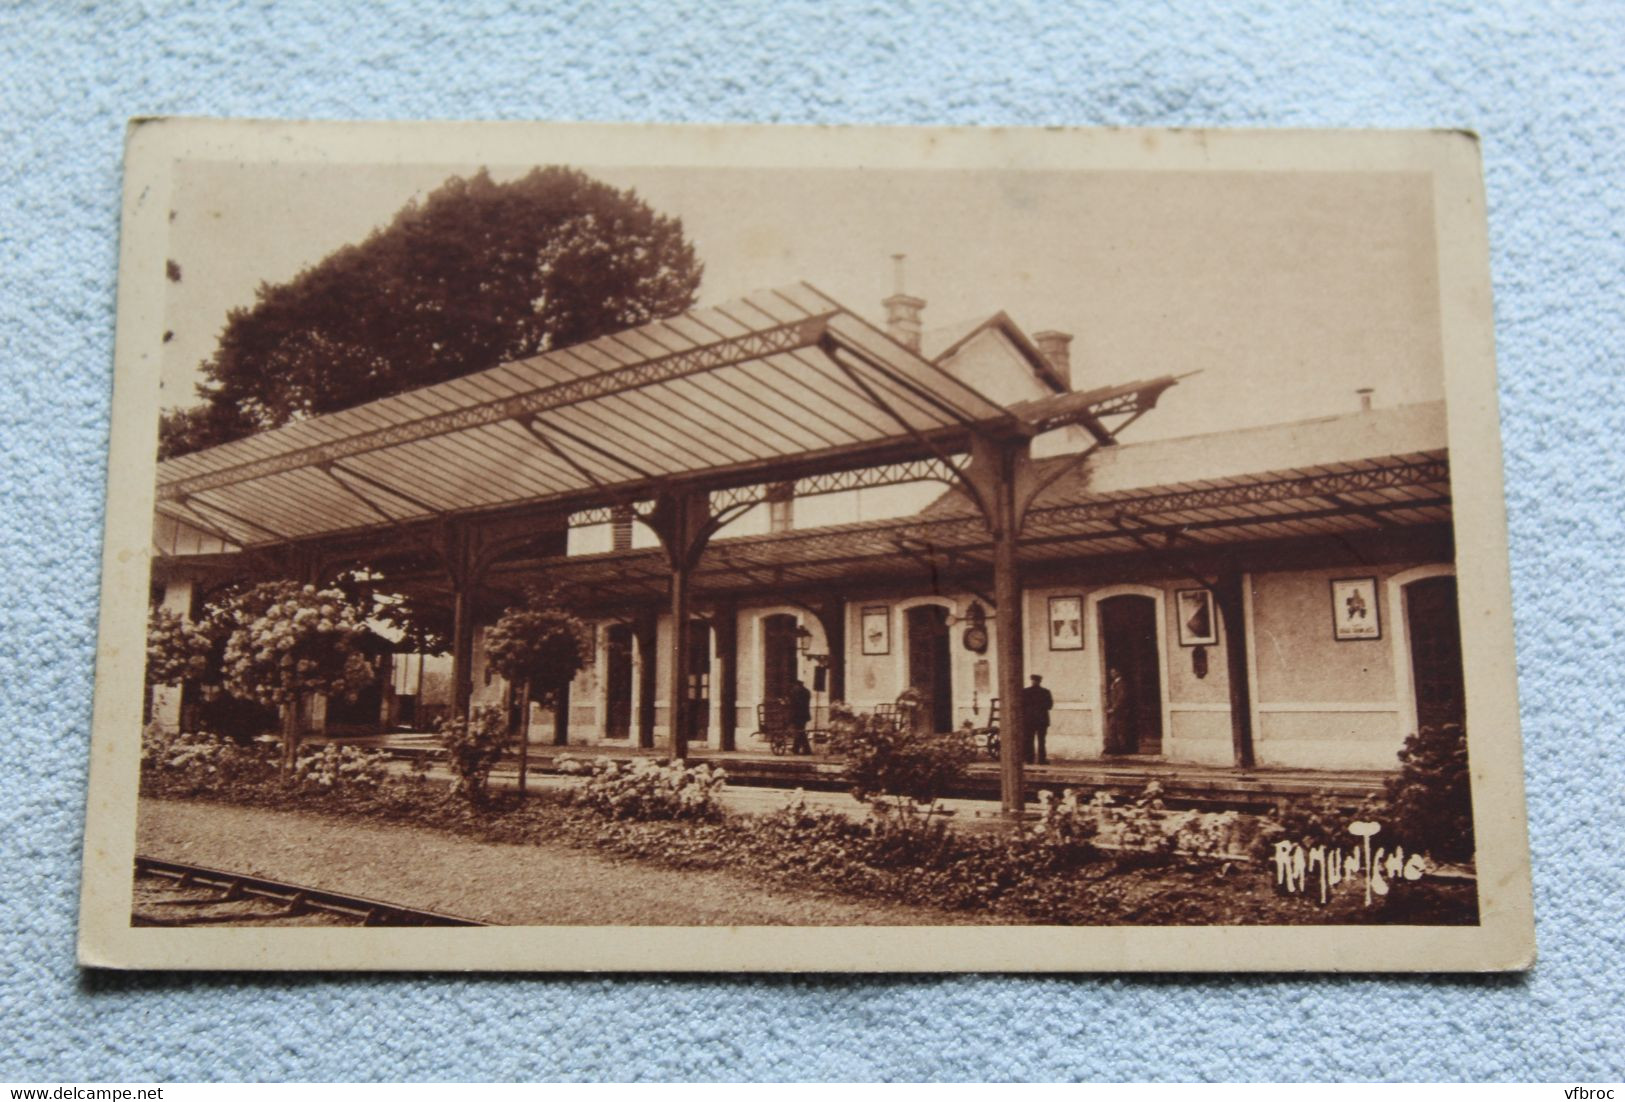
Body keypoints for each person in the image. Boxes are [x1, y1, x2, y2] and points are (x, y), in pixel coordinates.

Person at [1021, 674, 1054, 764]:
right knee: (1041, 741)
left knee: (1029, 740)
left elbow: (1021, 706)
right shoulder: (1045, 692)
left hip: (1029, 720)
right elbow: (1050, 706)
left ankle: (1029, 759)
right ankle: (1041, 760)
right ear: (1040, 681)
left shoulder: (1025, 692)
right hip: (1041, 720)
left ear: (1032, 681)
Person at [1105, 667, 1130, 754]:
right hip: (1115, 711)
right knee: (1112, 729)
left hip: (1120, 711)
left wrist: (1114, 708)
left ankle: (1123, 749)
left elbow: (1121, 698)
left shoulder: (1121, 684)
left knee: (1120, 730)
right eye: (1111, 672)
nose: (1111, 674)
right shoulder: (1114, 683)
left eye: (1114, 672)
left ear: (1118, 673)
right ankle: (1115, 749)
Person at [788, 677, 813, 755]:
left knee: (800, 732)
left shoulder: (795, 691)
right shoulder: (807, 691)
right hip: (805, 715)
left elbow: (793, 703)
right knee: (800, 731)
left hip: (797, 715)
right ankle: (796, 748)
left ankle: (806, 750)